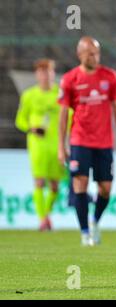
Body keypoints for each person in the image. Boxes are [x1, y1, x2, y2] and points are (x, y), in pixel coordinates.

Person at [58, 36, 116, 246]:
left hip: (104, 143)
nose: (95, 57)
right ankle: (84, 233)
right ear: (80, 54)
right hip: (79, 140)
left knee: (105, 188)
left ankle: (94, 222)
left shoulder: (109, 76)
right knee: (80, 183)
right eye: (90, 53)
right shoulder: (70, 79)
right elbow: (63, 115)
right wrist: (61, 146)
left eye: (97, 53)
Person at [15, 59, 66, 231]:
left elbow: (70, 116)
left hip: (56, 144)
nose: (45, 75)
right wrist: (31, 128)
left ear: (53, 73)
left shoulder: (60, 93)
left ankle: (47, 214)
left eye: (48, 72)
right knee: (38, 181)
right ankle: (43, 219)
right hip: (37, 145)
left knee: (54, 186)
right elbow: (20, 120)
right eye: (42, 72)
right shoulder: (29, 95)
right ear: (37, 75)